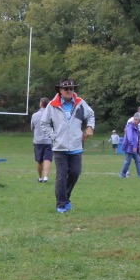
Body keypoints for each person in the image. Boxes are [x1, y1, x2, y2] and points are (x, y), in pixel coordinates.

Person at [40, 78, 95, 213]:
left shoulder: (80, 103)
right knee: (62, 175)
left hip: (76, 145)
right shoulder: (52, 105)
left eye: (71, 88)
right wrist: (54, 136)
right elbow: (44, 123)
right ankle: (61, 204)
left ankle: (65, 197)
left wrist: (90, 127)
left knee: (75, 173)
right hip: (60, 147)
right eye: (66, 89)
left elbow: (91, 115)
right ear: (60, 90)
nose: (69, 91)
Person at [119, 112, 140, 178]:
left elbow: (137, 137)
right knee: (128, 162)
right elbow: (129, 137)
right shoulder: (130, 126)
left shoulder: (136, 127)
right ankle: (122, 175)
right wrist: (133, 145)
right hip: (129, 147)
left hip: (135, 147)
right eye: (139, 120)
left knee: (138, 160)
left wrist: (138, 143)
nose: (139, 122)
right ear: (136, 119)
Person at [31, 97, 51, 182]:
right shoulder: (51, 115)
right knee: (47, 159)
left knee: (39, 160)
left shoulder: (35, 115)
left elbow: (32, 128)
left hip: (38, 141)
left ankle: (40, 178)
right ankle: (46, 177)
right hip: (48, 141)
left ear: (41, 104)